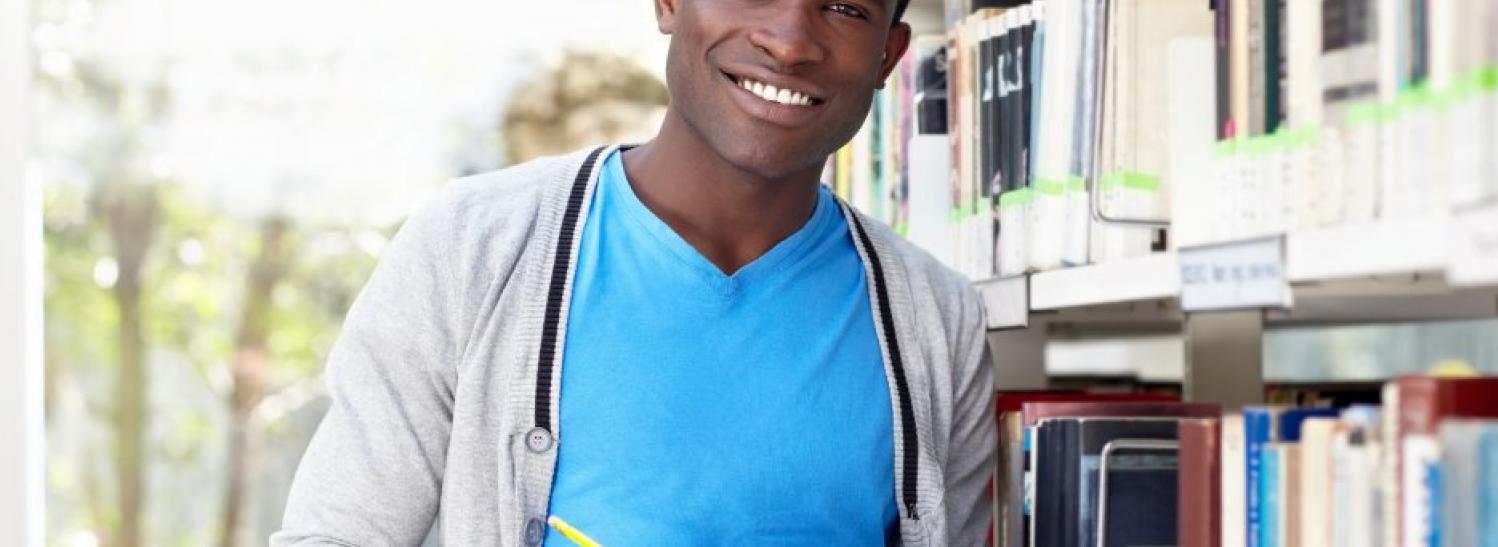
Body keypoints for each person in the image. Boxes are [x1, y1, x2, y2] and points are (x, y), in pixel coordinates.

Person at [272, 0, 994, 545]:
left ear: (889, 55)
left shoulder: (937, 319)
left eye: (844, 7)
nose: (790, 40)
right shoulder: (472, 248)